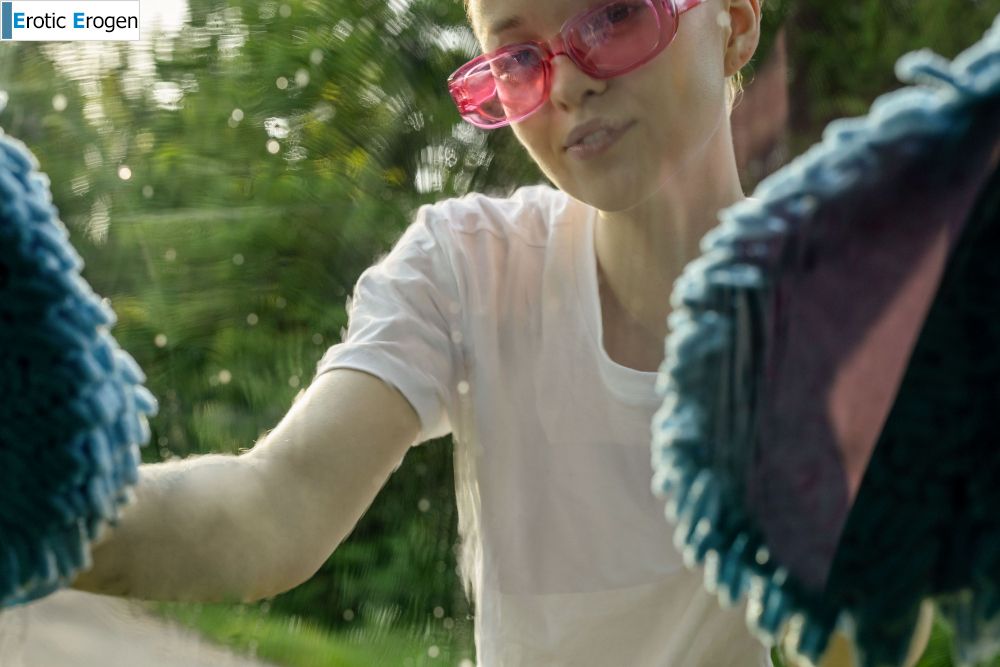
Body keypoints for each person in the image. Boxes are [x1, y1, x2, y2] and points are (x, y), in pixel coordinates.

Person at [70, 0, 927, 664]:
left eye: (617, 14)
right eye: (519, 57)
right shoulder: (469, 267)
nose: (569, 82)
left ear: (735, 23)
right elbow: (273, 508)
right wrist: (40, 511)